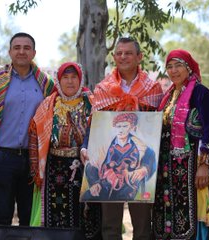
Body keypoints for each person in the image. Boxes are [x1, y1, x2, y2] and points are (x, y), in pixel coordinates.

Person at [86, 37, 163, 240]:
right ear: (114, 57)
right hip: (110, 168)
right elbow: (94, 125)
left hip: (139, 170)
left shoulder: (153, 88)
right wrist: (87, 147)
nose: (123, 57)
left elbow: (157, 129)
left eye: (128, 53)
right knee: (110, 226)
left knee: (143, 225)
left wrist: (146, 167)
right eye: (119, 53)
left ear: (139, 57)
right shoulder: (103, 88)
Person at [0, 32, 55, 226]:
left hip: (33, 160)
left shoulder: (46, 85)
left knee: (29, 218)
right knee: (2, 216)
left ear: (34, 53)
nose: (21, 52)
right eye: (17, 47)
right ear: (10, 52)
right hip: (1, 158)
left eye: (26, 48)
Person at [152, 49, 209, 240]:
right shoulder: (167, 98)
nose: (174, 71)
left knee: (190, 221)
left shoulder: (201, 93)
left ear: (189, 68)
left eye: (178, 65)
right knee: (167, 219)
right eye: (169, 67)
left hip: (192, 170)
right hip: (166, 171)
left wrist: (204, 165)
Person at [28, 62, 101, 238]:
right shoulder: (48, 105)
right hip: (54, 170)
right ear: (58, 81)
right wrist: (34, 168)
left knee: (86, 216)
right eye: (65, 78)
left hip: (85, 168)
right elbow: (34, 133)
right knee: (56, 214)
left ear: (80, 79)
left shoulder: (93, 103)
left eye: (74, 77)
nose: (70, 82)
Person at [84, 112, 157, 201]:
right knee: (87, 197)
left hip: (127, 186)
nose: (121, 130)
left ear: (132, 128)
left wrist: (144, 169)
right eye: (118, 126)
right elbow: (92, 165)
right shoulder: (106, 146)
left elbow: (150, 156)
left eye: (125, 126)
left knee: (121, 203)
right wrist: (95, 183)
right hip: (104, 184)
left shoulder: (139, 146)